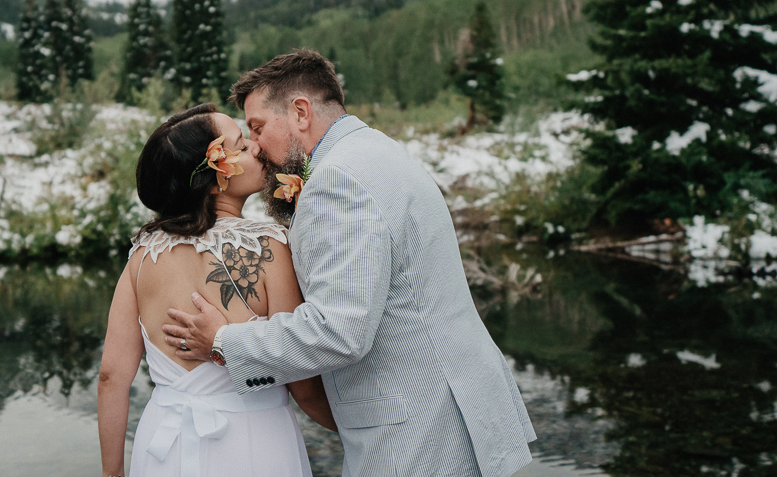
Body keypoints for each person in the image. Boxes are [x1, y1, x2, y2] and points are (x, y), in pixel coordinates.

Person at [163, 50, 536, 477]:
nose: (255, 146)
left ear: (300, 112)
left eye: (259, 127)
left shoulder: (336, 182)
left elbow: (340, 330)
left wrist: (226, 340)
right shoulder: (374, 149)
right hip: (455, 403)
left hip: (418, 429)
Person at [97, 104, 336, 477]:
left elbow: (112, 376)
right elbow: (301, 380)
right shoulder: (270, 246)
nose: (256, 148)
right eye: (241, 146)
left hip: (163, 444)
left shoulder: (142, 256)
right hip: (253, 440)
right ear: (212, 179)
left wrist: (112, 473)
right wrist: (357, 431)